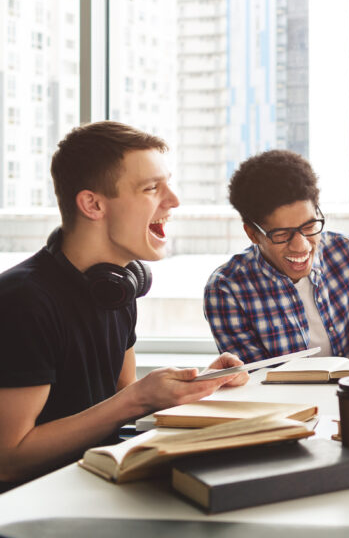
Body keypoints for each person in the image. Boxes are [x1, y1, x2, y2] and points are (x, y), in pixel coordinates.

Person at [0, 122, 247, 490]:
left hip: (96, 485)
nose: (173, 200)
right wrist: (137, 399)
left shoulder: (115, 288)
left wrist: (198, 385)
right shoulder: (23, 301)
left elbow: (120, 400)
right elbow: (9, 460)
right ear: (93, 204)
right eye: (151, 188)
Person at [204, 150, 349, 363]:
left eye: (309, 226)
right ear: (252, 234)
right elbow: (254, 376)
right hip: (286, 388)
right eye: (282, 234)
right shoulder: (227, 289)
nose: (301, 246)